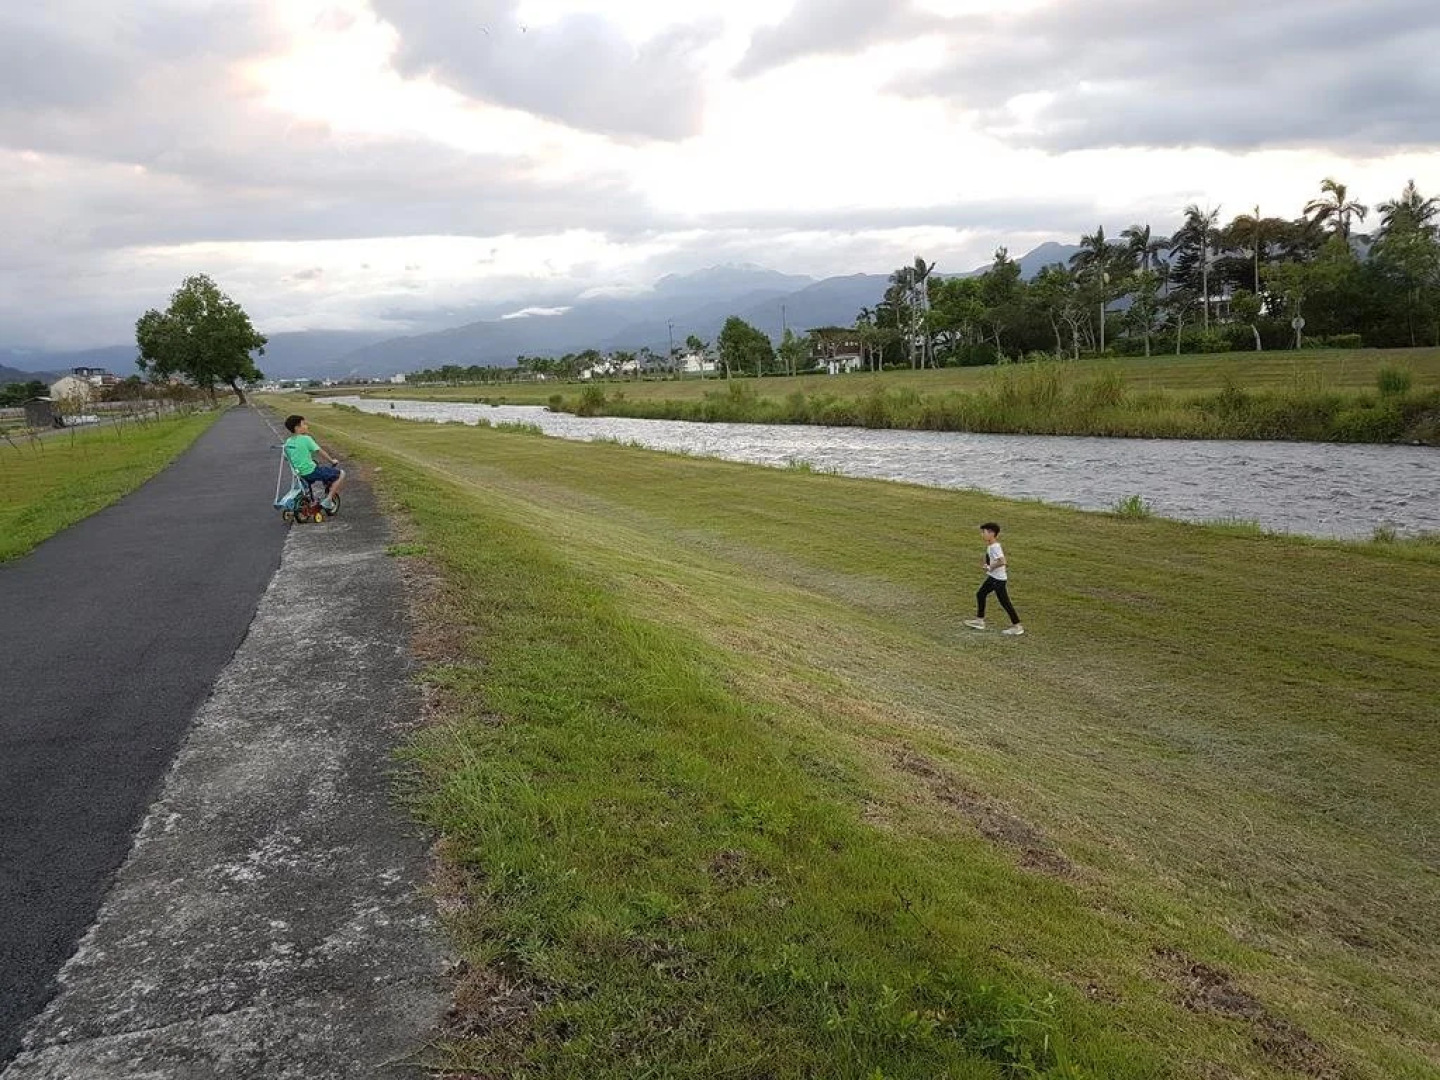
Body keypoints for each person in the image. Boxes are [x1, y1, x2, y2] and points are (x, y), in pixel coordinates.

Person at [965, 522, 1024, 636]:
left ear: (992, 533)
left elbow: (1003, 562)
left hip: (998, 580)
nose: (982, 534)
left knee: (1005, 602)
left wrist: (990, 567)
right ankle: (979, 621)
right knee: (980, 594)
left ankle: (1017, 626)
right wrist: (989, 567)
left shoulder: (995, 547)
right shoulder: (991, 546)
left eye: (984, 532)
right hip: (993, 578)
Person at [282, 414, 344, 512]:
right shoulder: (306, 439)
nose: (307, 426)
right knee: (340, 474)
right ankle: (328, 500)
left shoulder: (288, 442)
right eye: (304, 424)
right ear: (297, 427)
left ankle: (310, 502)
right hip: (311, 471)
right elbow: (320, 451)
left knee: (319, 470)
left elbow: (286, 457)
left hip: (299, 474)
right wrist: (332, 460)